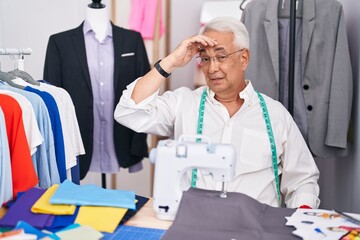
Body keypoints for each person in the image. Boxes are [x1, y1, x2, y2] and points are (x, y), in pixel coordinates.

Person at [114, 16, 320, 208]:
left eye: (221, 56)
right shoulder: (184, 103)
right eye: (205, 59)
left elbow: (303, 180)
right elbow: (128, 111)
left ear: (244, 58)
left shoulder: (276, 115)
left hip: (256, 229)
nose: (212, 68)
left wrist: (301, 221)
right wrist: (170, 62)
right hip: (196, 223)